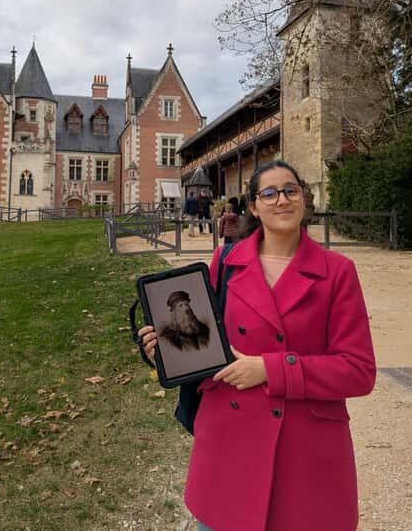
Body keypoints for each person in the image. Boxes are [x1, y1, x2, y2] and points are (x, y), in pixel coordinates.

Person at [138, 160, 376, 530]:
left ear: (303, 200)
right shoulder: (226, 262)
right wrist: (166, 350)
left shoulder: (337, 272)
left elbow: (358, 372)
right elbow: (206, 345)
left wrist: (270, 369)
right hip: (229, 448)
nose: (281, 200)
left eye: (290, 190)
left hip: (305, 456)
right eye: (269, 193)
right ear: (253, 205)